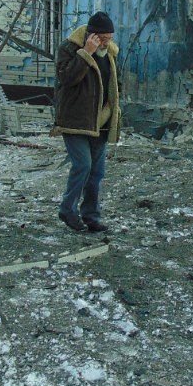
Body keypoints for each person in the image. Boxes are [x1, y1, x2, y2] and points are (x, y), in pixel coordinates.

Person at [51, 12, 121, 232]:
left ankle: (90, 216)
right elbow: (67, 79)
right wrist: (85, 54)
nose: (106, 42)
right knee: (82, 165)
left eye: (109, 38)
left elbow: (115, 83)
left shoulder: (110, 53)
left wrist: (114, 109)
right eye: (103, 38)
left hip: (100, 121)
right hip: (75, 120)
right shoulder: (69, 49)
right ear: (91, 36)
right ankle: (67, 210)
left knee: (96, 173)